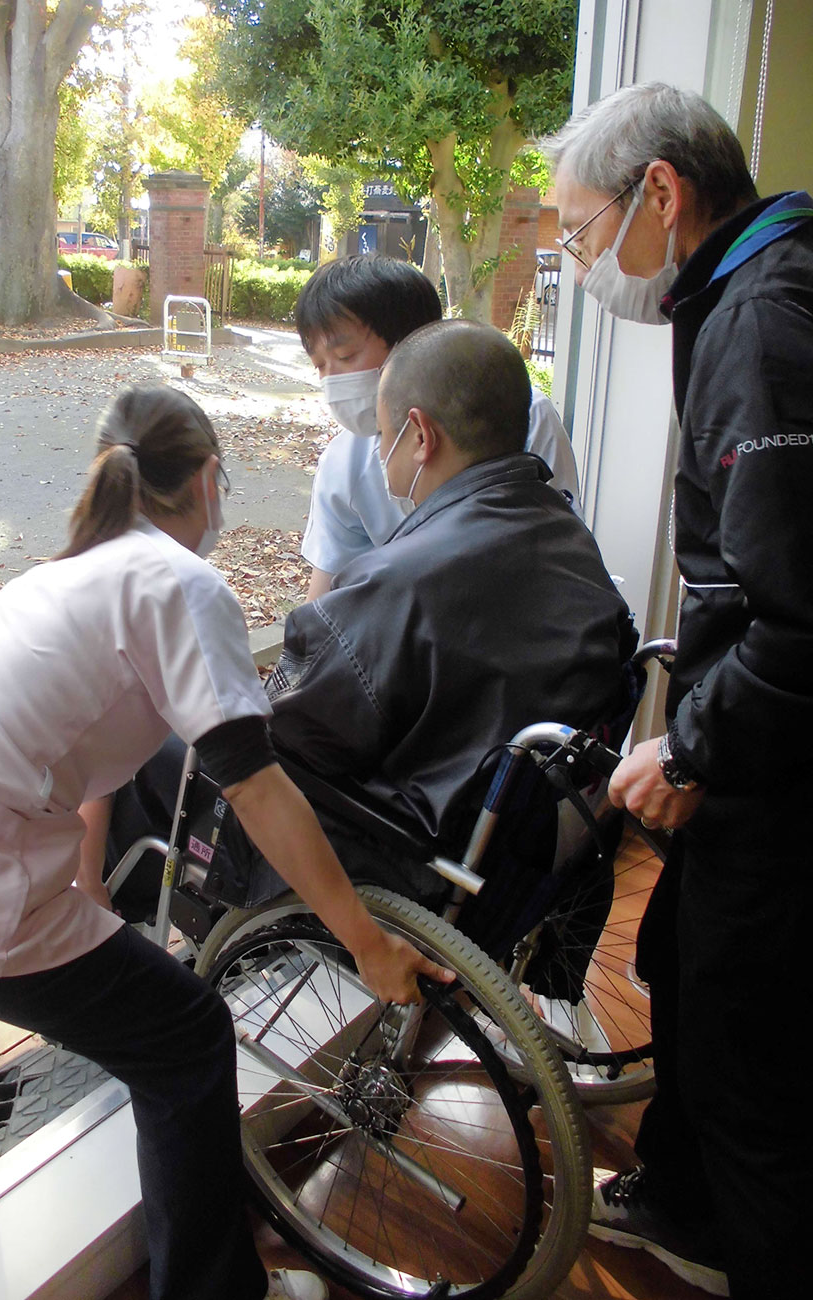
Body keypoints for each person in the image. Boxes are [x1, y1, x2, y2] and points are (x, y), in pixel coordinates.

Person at [0, 384, 449, 1300]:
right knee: (187, 1036)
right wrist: (366, 941)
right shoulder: (179, 583)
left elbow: (85, 754)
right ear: (208, 481)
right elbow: (256, 785)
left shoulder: (75, 565)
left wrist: (86, 885)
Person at [544, 82, 812, 1300]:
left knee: (746, 1036)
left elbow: (801, 615)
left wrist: (689, 746)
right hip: (755, 734)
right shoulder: (755, 282)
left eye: (584, 231)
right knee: (693, 968)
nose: (583, 261)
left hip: (776, 755)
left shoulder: (763, 326)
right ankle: (680, 1197)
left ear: (661, 192)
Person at [100, 322, 634, 931]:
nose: (380, 453)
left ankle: (120, 944)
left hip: (399, 852)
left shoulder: (400, 582)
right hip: (510, 838)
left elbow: (284, 738)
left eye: (383, 436)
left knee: (153, 754)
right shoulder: (568, 536)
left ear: (421, 436)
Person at [296, 255, 583, 599]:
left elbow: (559, 549)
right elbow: (328, 596)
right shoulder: (344, 461)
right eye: (319, 367)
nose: (332, 381)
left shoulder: (521, 413)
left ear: (414, 343)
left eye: (344, 357)